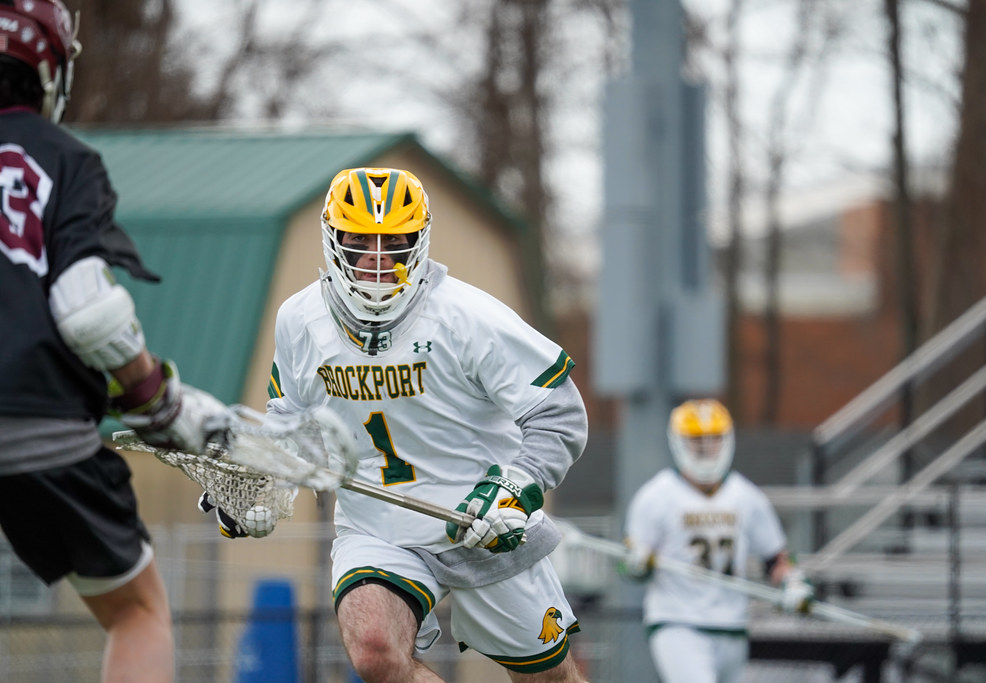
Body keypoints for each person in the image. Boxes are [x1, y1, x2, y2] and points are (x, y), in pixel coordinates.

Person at [266, 167, 590, 682]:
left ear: (419, 241)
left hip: (482, 523)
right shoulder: (300, 318)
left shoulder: (467, 316)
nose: (375, 259)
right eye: (359, 242)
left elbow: (559, 413)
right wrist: (260, 486)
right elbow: (289, 421)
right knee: (375, 651)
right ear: (333, 239)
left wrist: (515, 488)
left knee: (549, 679)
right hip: (376, 522)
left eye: (393, 242)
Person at [0, 2, 232, 681]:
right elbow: (88, 311)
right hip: (39, 425)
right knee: (137, 612)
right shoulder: (64, 159)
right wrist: (152, 396)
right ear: (48, 68)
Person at [620, 398, 814, 683]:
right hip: (678, 621)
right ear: (678, 443)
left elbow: (776, 558)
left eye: (713, 441)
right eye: (697, 442)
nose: (706, 450)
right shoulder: (655, 497)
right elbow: (629, 566)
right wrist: (637, 563)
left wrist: (793, 582)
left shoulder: (747, 497)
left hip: (732, 624)